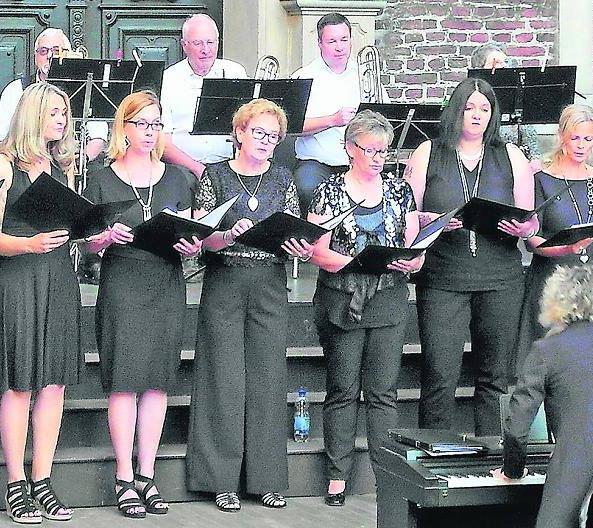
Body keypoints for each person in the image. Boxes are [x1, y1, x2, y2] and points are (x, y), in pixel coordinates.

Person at [185, 98, 312, 513]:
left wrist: (300, 248)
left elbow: (294, 228)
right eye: (259, 133)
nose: (266, 142)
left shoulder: (281, 178)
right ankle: (220, 480)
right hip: (225, 279)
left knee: (267, 377)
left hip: (270, 284)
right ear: (239, 132)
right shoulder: (216, 176)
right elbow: (200, 238)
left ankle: (267, 478)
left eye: (273, 137)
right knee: (223, 376)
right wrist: (227, 234)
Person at [81, 91, 200, 518]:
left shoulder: (177, 178)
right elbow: (86, 244)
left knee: (157, 380)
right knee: (125, 379)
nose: (150, 132)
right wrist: (103, 238)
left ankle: (148, 475)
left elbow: (193, 234)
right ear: (124, 128)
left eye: (156, 124)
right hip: (123, 281)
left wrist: (192, 247)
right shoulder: (102, 177)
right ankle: (124, 476)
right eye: (142, 124)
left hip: (166, 279)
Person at [403, 77, 537, 435]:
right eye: (469, 107)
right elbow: (406, 214)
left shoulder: (511, 156)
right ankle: (434, 460)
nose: (476, 115)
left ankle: (493, 459)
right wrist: (428, 223)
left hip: (501, 278)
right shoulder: (428, 152)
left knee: (494, 378)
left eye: (484, 109)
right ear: (455, 110)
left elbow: (531, 218)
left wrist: (524, 229)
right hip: (444, 277)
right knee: (439, 375)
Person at [307, 110, 423, 507]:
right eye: (369, 149)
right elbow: (316, 252)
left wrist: (414, 261)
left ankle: (385, 476)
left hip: (389, 298)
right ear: (349, 148)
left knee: (383, 392)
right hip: (343, 298)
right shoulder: (328, 189)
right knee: (342, 389)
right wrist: (355, 262)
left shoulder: (399, 190)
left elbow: (412, 248)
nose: (377, 157)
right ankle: (337, 476)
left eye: (383, 151)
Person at [0, 82, 81, 524]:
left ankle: (44, 480)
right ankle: (15, 484)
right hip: (18, 276)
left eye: (65, 113)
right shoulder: (3, 163)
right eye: (55, 111)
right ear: (33, 114)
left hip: (58, 277)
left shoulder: (63, 166)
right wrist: (30, 244)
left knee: (53, 382)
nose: (62, 119)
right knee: (20, 382)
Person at [493, 264, 593, 528]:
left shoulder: (546, 349)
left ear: (556, 302)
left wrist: (512, 470)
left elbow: (517, 426)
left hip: (577, 458)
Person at [516, 104, 593, 372]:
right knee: (551, 367)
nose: (581, 145)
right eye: (575, 138)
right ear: (562, 136)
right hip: (552, 285)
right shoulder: (541, 180)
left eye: (588, 138)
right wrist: (565, 248)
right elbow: (532, 241)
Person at [160, 14, 248, 185]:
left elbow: (249, 126)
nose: (205, 50)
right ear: (184, 45)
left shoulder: (235, 72)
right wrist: (197, 168)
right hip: (183, 169)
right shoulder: (169, 79)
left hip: (231, 164)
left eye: (210, 42)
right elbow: (162, 141)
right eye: (198, 43)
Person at [0, 28, 106, 160]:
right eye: (43, 51)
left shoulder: (86, 88)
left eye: (56, 51)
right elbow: (1, 140)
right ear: (35, 57)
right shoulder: (16, 90)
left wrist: (81, 160)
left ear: (68, 55)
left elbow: (99, 137)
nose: (49, 56)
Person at [291, 12, 362, 213]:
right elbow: (291, 127)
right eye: (332, 41)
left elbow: (383, 119)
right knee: (306, 189)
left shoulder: (364, 75)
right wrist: (332, 120)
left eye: (344, 39)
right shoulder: (304, 77)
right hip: (316, 164)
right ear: (320, 44)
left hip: (359, 162)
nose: (339, 47)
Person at [470, 43, 542, 172]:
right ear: (480, 69)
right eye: (496, 62)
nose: (503, 66)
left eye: (505, 62)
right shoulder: (471, 98)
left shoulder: (516, 93)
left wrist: (535, 157)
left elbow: (527, 128)